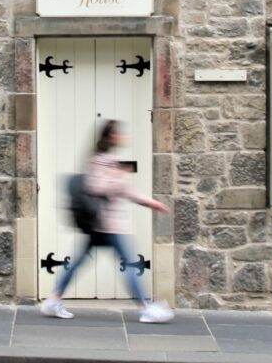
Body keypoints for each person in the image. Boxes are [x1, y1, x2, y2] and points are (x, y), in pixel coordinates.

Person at [41, 120, 175, 324]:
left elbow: (126, 191)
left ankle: (53, 300)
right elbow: (95, 186)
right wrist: (118, 176)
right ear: (111, 136)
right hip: (106, 225)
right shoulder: (100, 160)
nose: (124, 136)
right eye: (120, 133)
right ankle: (146, 308)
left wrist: (152, 203)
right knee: (128, 264)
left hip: (103, 225)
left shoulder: (109, 160)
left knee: (79, 262)